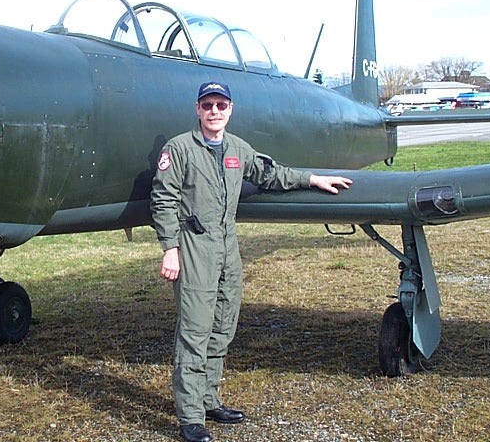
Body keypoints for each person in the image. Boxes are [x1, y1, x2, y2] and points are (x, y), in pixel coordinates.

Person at [150, 81, 353, 442]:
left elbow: (271, 174)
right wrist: (170, 248)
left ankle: (209, 398)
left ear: (230, 110)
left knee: (223, 327)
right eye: (208, 104)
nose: (214, 111)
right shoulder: (179, 149)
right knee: (195, 331)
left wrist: (313, 179)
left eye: (221, 105)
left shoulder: (236, 149)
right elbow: (163, 200)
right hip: (195, 246)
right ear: (198, 109)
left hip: (228, 248)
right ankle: (191, 417)